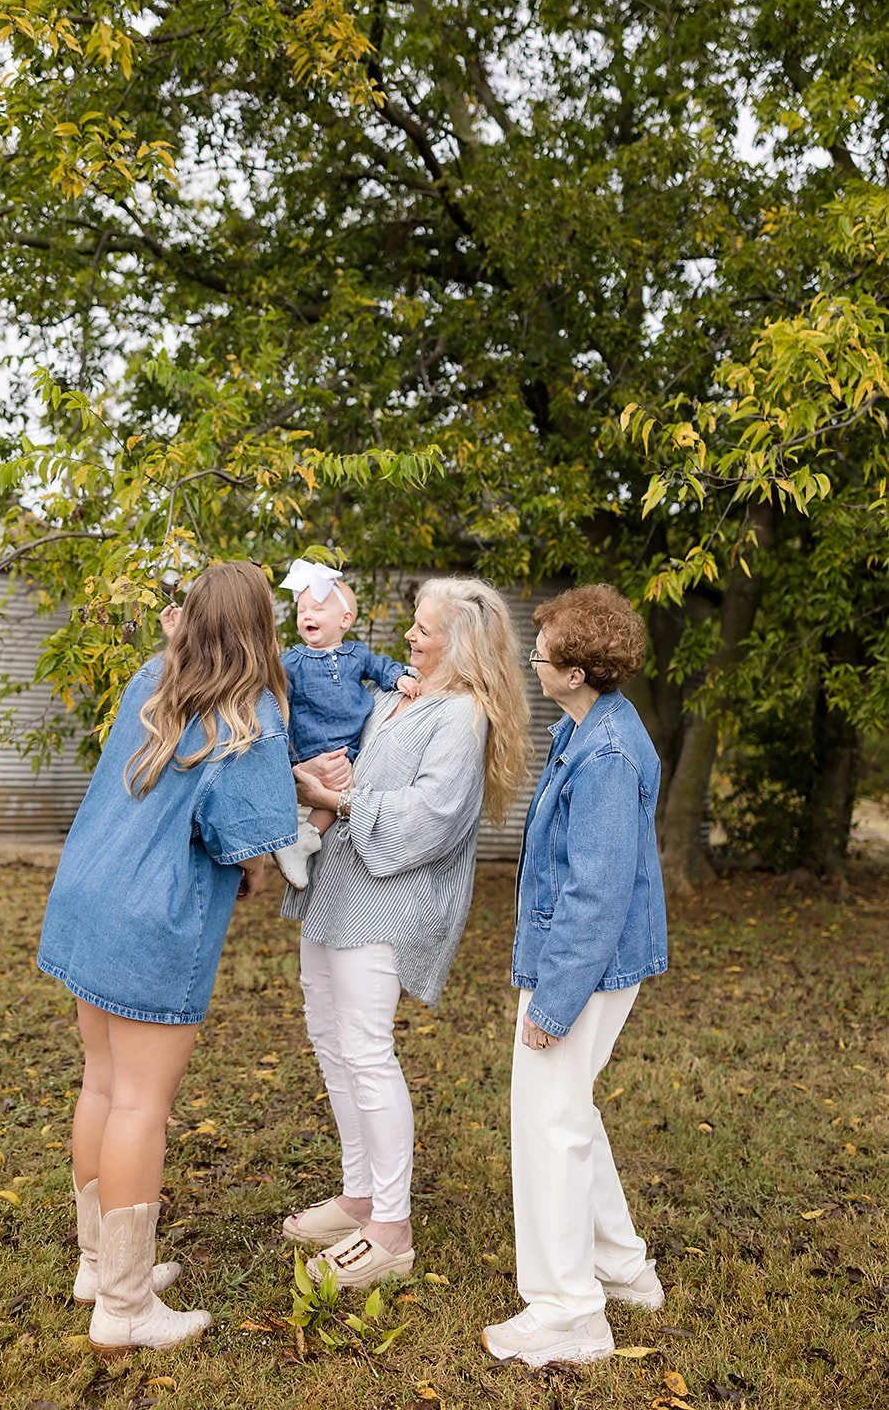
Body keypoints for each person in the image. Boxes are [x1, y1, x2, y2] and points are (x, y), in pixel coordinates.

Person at [37, 561, 298, 1357]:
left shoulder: (153, 679)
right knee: (140, 1106)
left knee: (103, 1082)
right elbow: (250, 838)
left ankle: (98, 1267)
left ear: (187, 619)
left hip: (90, 893)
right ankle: (122, 1308)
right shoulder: (253, 715)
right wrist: (306, 793)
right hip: (154, 917)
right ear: (261, 627)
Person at [280, 577, 529, 1289]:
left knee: (365, 1049)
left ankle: (389, 1229)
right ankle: (357, 1195)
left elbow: (433, 814)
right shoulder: (396, 696)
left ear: (464, 643)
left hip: (388, 898)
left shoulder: (463, 716)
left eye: (425, 629)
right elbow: (339, 741)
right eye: (415, 627)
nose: (411, 638)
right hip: (338, 886)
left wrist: (335, 797)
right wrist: (318, 772)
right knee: (330, 1042)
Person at [482, 583, 669, 1371]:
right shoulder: (587, 728)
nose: (534, 660)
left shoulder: (606, 752)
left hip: (582, 966)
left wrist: (553, 1004)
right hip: (581, 959)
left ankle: (568, 1312)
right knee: (566, 1110)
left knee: (547, 1126)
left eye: (543, 651)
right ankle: (621, 1267)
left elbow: (595, 892)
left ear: (576, 670)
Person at [275, 558, 420, 890]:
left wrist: (398, 677)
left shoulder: (358, 655)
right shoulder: (291, 662)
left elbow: (381, 666)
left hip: (349, 746)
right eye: (302, 611)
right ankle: (300, 841)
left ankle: (305, 840)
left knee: (344, 790)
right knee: (336, 789)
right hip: (311, 746)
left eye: (317, 609)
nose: (307, 615)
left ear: (345, 620)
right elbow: (277, 703)